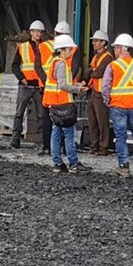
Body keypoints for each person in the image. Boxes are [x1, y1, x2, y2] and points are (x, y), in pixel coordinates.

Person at [102, 33, 133, 178]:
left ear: (120, 48)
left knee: (121, 137)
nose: (114, 51)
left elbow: (105, 87)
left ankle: (124, 167)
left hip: (118, 107)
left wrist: (107, 101)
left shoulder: (113, 66)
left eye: (116, 47)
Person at [44, 34, 86, 173]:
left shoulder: (54, 62)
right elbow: (62, 85)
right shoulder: (61, 64)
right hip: (63, 104)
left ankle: (57, 163)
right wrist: (77, 88)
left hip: (54, 104)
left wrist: (75, 85)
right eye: (69, 49)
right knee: (68, 134)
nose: (71, 52)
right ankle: (73, 163)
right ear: (63, 49)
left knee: (56, 133)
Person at [11, 20, 50, 149]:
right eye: (35, 31)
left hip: (39, 85)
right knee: (19, 113)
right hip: (26, 84)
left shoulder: (46, 47)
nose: (38, 34)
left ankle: (40, 140)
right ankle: (15, 139)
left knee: (41, 115)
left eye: (40, 32)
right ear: (31, 32)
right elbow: (15, 66)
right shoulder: (23, 47)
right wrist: (21, 78)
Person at [83, 30, 113, 156]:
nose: (94, 43)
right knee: (92, 121)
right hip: (93, 91)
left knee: (102, 122)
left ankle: (103, 147)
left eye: (96, 41)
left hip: (100, 93)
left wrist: (91, 71)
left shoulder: (108, 58)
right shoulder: (96, 56)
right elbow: (88, 71)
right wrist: (91, 71)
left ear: (103, 42)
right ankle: (94, 145)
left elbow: (98, 73)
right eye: (93, 41)